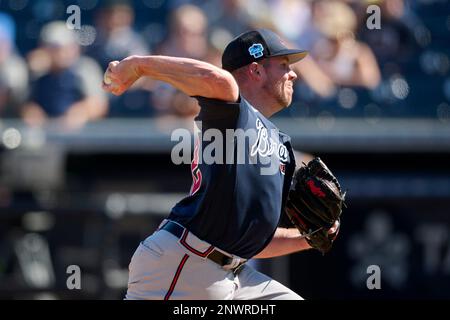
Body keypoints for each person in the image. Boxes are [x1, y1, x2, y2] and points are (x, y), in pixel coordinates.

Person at [102, 28, 339, 300]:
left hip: (230, 271)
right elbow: (216, 78)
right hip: (183, 264)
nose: (294, 73)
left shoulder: (279, 144)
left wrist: (306, 237)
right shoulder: (232, 113)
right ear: (256, 71)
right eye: (284, 65)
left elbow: (250, 240)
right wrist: (138, 65)